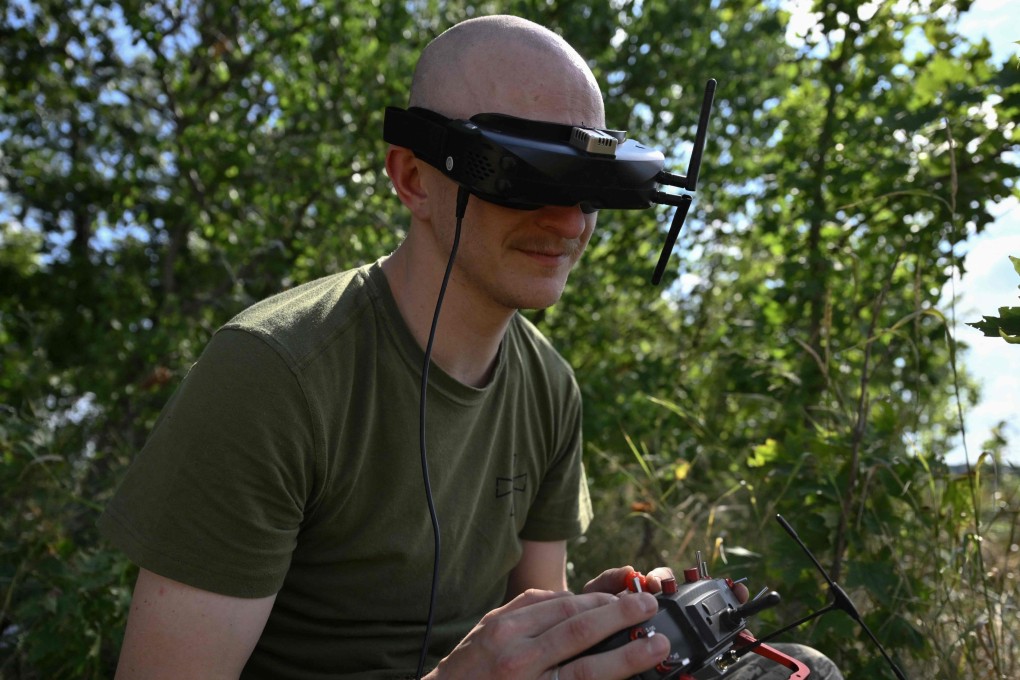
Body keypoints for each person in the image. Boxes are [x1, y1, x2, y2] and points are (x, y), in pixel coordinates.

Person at [100, 15, 842, 680]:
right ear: (413, 178)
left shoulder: (548, 387)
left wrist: (587, 630)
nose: (568, 223)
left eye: (591, 187)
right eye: (527, 179)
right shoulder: (274, 374)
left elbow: (531, 613)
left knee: (801, 670)